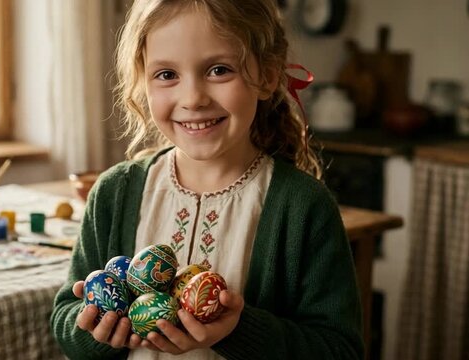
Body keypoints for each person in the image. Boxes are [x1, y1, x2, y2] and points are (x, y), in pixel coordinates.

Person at [51, 0, 363, 359]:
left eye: (218, 70)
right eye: (167, 75)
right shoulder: (113, 193)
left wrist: (237, 330)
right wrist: (97, 330)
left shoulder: (304, 206)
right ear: (142, 82)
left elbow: (340, 350)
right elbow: (64, 320)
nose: (193, 99)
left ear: (268, 74)